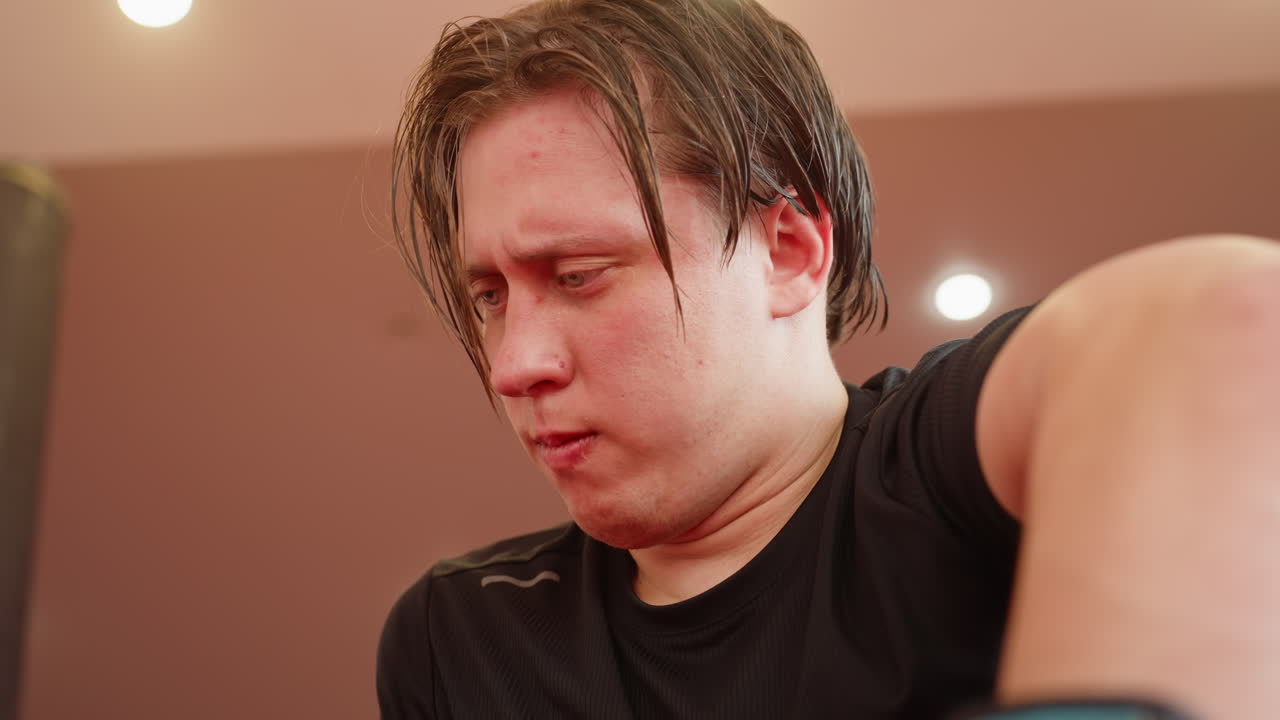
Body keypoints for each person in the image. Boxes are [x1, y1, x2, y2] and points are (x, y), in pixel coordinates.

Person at [375, 1, 1280, 717]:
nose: (513, 364)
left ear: (790, 252)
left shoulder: (938, 479)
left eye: (577, 275)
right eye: (489, 296)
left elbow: (1231, 316)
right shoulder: (465, 635)